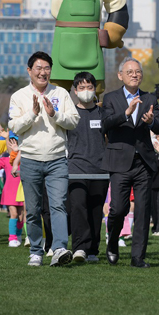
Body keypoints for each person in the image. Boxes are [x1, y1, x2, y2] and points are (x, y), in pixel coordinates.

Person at [8, 51, 80, 267]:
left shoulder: (61, 93)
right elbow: (14, 126)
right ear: (29, 71)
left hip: (57, 159)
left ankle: (58, 248)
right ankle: (36, 251)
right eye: (38, 68)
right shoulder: (18, 96)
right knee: (33, 209)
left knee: (58, 205)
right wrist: (32, 113)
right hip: (30, 159)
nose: (43, 72)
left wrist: (54, 114)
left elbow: (74, 121)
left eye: (47, 68)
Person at [102, 57, 159, 268]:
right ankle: (112, 243)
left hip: (143, 162)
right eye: (130, 72)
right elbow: (105, 124)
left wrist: (151, 121)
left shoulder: (150, 98)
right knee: (118, 209)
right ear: (120, 75)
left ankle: (138, 256)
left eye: (137, 72)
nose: (134, 75)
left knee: (142, 211)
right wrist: (125, 114)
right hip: (119, 161)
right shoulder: (110, 98)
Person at [66, 71, 110, 263]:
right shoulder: (69, 115)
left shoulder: (104, 113)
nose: (86, 91)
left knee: (95, 210)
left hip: (100, 170)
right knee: (78, 207)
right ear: (75, 91)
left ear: (95, 89)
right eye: (82, 87)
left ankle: (92, 250)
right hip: (75, 168)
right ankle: (79, 248)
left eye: (89, 87)